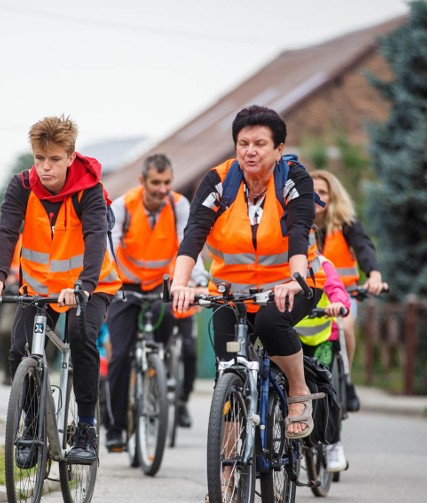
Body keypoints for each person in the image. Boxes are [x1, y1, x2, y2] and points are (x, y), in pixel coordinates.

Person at [170, 105, 327, 442]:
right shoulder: (218, 182)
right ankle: (225, 474)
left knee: (272, 324)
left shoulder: (293, 179)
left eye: (259, 143)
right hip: (232, 291)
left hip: (293, 285)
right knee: (227, 369)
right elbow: (194, 233)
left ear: (279, 149)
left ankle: (299, 392)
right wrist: (180, 283)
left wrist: (296, 279)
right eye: (243, 143)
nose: (250, 151)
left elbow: (299, 231)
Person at [0, 115, 121, 465]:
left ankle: (87, 428)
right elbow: (5, 231)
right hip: (40, 288)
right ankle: (31, 422)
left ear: (70, 157)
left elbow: (94, 238)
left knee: (81, 335)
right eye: (39, 158)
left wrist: (84, 286)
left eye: (54, 160)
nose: (45, 168)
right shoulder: (22, 186)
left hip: (90, 286)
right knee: (18, 349)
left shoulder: (89, 189)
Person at [104, 154, 207, 451]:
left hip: (164, 285)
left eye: (167, 183)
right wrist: (108, 284)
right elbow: (110, 246)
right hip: (127, 286)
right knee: (120, 354)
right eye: (155, 183)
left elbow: (190, 244)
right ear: (142, 182)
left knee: (172, 336)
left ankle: (158, 374)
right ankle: (117, 428)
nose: (162, 189)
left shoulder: (178, 206)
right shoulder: (123, 206)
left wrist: (196, 280)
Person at [312, 169, 384, 411]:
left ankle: (346, 377)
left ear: (332, 198)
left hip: (344, 294)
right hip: (311, 297)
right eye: (311, 192)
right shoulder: (297, 223)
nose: (316, 196)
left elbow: (363, 246)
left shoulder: (345, 224)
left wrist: (373, 274)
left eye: (322, 192)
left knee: (345, 326)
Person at [294, 254, 350, 472]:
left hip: (323, 338)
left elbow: (336, 288)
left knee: (325, 387)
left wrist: (337, 304)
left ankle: (334, 443)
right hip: (293, 337)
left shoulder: (323, 264)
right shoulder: (281, 260)